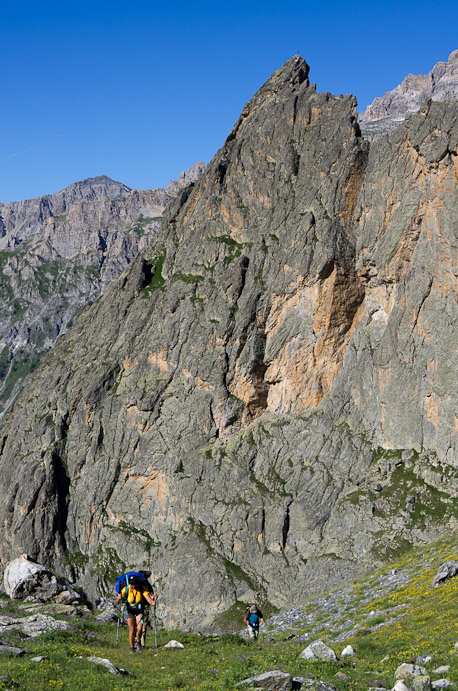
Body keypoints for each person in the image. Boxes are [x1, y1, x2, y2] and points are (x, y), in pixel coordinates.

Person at [115, 574, 157, 653]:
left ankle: (138, 642)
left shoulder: (142, 589)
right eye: (131, 584)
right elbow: (117, 603)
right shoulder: (125, 589)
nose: (132, 586)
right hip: (129, 610)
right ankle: (132, 648)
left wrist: (154, 600)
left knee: (140, 628)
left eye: (134, 584)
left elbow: (151, 602)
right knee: (131, 630)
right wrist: (118, 598)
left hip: (139, 609)